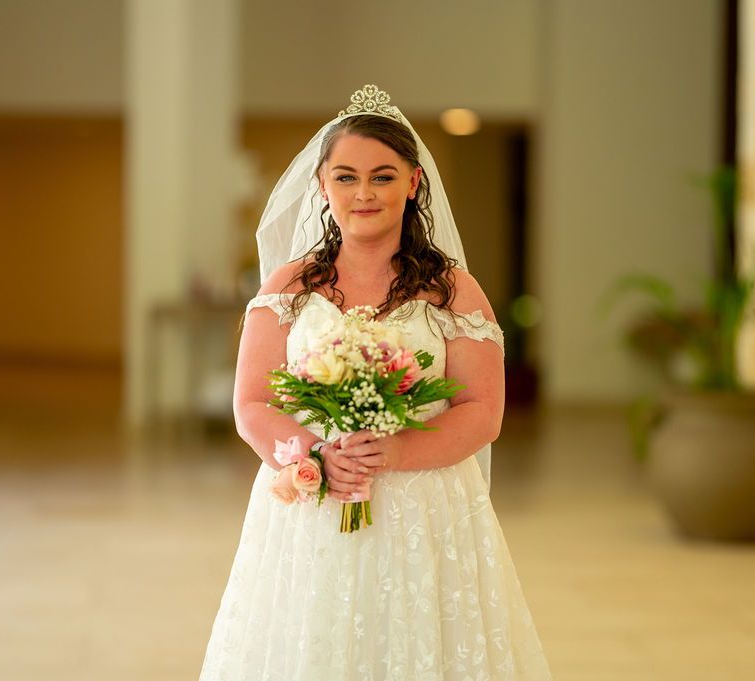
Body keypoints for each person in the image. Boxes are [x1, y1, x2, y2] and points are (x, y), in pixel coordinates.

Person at [199, 85, 552, 680]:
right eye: (346, 177)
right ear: (322, 186)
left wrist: (394, 451)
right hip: (312, 502)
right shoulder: (290, 286)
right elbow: (253, 402)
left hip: (425, 507)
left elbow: (482, 411)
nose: (364, 193)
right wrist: (316, 457)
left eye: (383, 177)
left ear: (414, 183)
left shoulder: (452, 291)